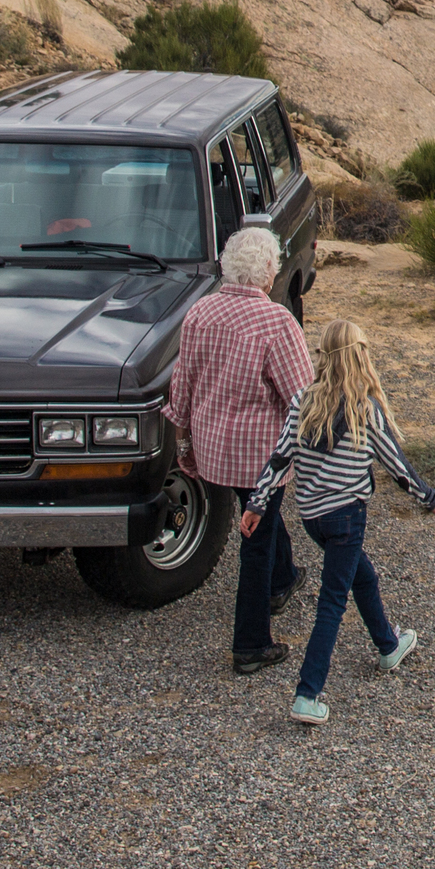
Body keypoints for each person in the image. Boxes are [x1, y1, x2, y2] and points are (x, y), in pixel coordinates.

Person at [245, 319, 435, 724]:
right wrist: (430, 497)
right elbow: (396, 465)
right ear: (361, 356)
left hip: (312, 518)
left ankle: (389, 646)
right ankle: (307, 694)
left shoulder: (303, 401)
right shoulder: (364, 409)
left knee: (362, 576)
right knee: (332, 602)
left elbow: (280, 457)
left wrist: (256, 502)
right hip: (347, 517)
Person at [164, 225, 310, 674]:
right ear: (268, 274)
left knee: (258, 514)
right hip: (259, 458)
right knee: (256, 539)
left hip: (211, 452)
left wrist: (184, 445)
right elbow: (302, 396)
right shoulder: (277, 322)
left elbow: (181, 387)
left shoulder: (200, 313)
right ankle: (250, 643)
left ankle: (283, 580)